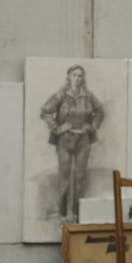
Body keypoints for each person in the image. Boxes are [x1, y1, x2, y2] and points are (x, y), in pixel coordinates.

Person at [40, 65, 104, 223]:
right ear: (68, 77)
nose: (78, 78)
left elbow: (100, 112)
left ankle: (77, 214)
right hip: (65, 140)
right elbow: (45, 111)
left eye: (80, 76)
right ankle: (62, 215)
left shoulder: (88, 96)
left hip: (83, 140)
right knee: (65, 178)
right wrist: (58, 128)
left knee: (80, 177)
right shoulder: (61, 95)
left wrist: (91, 127)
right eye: (74, 75)